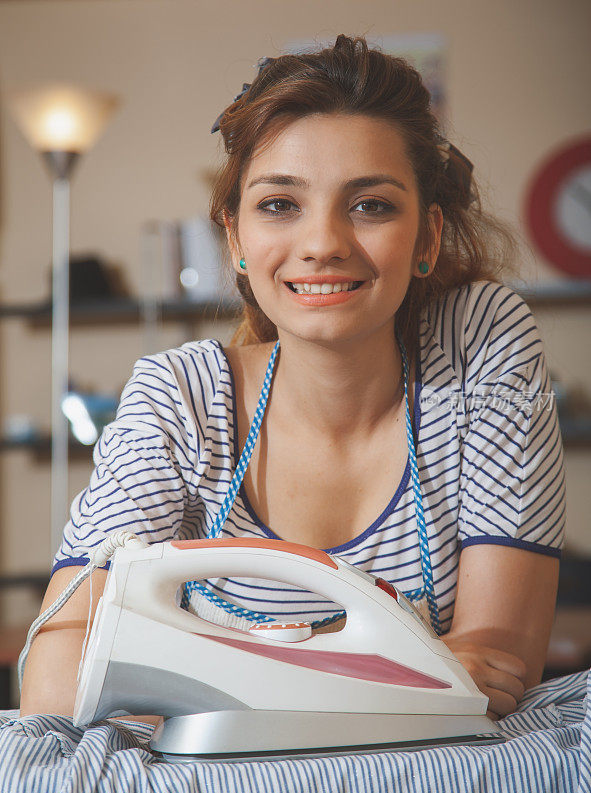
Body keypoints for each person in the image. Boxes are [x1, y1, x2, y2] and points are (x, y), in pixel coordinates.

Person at [20, 34, 565, 723]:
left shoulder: (477, 342)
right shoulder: (181, 398)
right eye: (280, 204)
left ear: (426, 240)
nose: (322, 243)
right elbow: (56, 675)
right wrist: (404, 679)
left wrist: (218, 689)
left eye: (370, 205)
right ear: (236, 239)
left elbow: (499, 659)